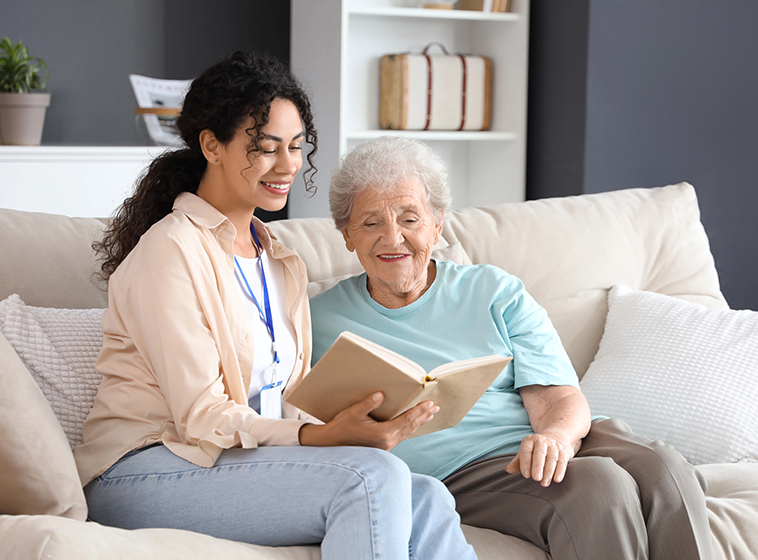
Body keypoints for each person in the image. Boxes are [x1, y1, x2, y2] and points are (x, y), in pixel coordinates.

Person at [74, 52, 476, 560]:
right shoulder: (170, 250)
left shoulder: (281, 260)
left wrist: (346, 425)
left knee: (429, 496)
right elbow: (201, 416)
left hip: (234, 461)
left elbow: (285, 400)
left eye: (295, 147)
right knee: (369, 479)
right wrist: (318, 437)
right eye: (266, 148)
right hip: (144, 470)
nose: (288, 165)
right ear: (211, 146)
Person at [309, 135, 715, 560]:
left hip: (548, 436)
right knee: (598, 487)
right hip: (463, 472)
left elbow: (557, 395)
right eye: (371, 223)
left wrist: (556, 437)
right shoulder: (315, 320)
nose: (393, 238)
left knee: (665, 468)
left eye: (410, 219)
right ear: (346, 234)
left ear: (437, 224)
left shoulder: (493, 290)